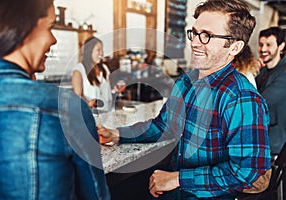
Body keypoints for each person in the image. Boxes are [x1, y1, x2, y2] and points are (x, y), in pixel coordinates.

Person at [98, 0, 271, 199]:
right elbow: (163, 127)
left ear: (234, 47)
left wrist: (178, 179)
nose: (195, 42)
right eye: (195, 33)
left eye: (207, 36)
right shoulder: (185, 82)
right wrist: (117, 134)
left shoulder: (242, 98)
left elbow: (246, 171)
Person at [0, 1, 110, 199]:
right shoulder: (66, 109)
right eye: (50, 27)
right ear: (22, 26)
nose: (53, 40)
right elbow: (95, 195)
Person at [255, 27, 286, 155]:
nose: (263, 49)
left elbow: (262, 102)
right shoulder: (262, 71)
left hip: (276, 144)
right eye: (261, 44)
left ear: (281, 46)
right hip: (261, 140)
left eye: (269, 45)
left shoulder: (284, 72)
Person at [72, 36, 113, 112]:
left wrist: (116, 90)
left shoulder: (104, 68)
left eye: (102, 49)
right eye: (98, 50)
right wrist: (88, 103)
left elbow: (107, 90)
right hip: (91, 114)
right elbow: (78, 96)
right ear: (89, 51)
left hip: (108, 112)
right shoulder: (79, 70)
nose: (101, 53)